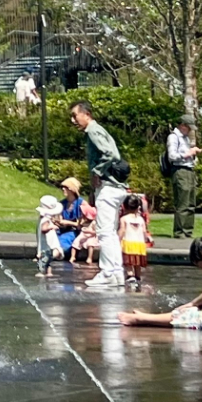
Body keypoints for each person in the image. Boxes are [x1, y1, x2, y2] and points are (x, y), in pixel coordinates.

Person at [119, 237, 202, 331]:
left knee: (185, 314)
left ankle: (139, 319)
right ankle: (146, 317)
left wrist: (193, 303)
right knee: (194, 310)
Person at [70, 100, 127, 281]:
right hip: (114, 188)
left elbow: (112, 154)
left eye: (75, 115)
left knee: (104, 232)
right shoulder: (97, 130)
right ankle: (116, 273)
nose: (73, 120)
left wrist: (96, 172)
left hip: (109, 188)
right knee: (110, 231)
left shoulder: (93, 130)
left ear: (86, 114)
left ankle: (108, 273)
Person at [165, 116, 200, 237]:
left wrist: (193, 154)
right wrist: (187, 153)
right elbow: (172, 156)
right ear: (183, 125)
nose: (190, 130)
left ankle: (188, 230)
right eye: (189, 128)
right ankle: (180, 232)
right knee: (182, 203)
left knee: (191, 203)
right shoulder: (173, 137)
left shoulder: (185, 139)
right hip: (180, 170)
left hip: (189, 170)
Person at [118, 192, 152, 288]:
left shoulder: (124, 218)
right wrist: (146, 239)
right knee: (137, 262)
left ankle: (130, 275)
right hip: (139, 243)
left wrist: (118, 239)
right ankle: (138, 276)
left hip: (128, 242)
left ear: (124, 206)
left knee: (128, 261)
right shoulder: (141, 219)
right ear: (138, 207)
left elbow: (122, 230)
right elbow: (144, 231)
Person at [56, 177, 91, 265]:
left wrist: (68, 223)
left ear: (72, 190)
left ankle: (55, 254)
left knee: (64, 240)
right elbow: (60, 220)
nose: (63, 189)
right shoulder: (62, 204)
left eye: (66, 187)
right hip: (63, 229)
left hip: (76, 231)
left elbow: (84, 224)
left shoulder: (82, 204)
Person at [36, 194, 65, 274]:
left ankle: (48, 273)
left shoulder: (43, 217)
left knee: (48, 261)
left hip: (45, 242)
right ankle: (47, 257)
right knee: (57, 251)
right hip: (48, 241)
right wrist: (52, 227)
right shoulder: (46, 219)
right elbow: (44, 229)